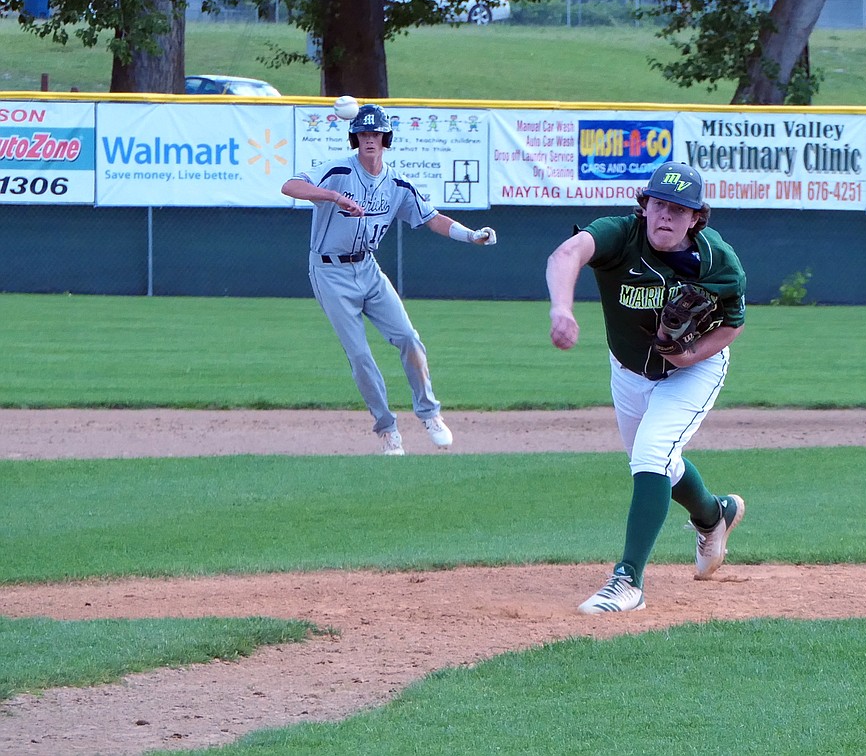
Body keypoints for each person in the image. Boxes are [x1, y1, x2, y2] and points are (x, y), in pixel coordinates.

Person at [546, 161, 747, 614]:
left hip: (693, 371)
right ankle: (715, 516)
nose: (666, 216)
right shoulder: (619, 235)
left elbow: (733, 323)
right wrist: (562, 309)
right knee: (658, 464)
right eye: (659, 203)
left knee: (652, 456)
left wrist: (691, 356)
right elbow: (565, 255)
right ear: (644, 206)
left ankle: (628, 581)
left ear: (696, 217)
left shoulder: (718, 262)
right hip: (628, 369)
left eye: (679, 209)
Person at [281, 103, 497, 456]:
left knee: (409, 338)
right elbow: (290, 186)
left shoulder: (397, 183)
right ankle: (387, 429)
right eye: (364, 134)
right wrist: (333, 196)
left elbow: (432, 218)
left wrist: (471, 235)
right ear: (356, 138)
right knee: (361, 355)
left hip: (367, 269)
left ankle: (429, 413)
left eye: (376, 134)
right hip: (329, 271)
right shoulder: (337, 170)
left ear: (385, 139)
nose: (370, 140)